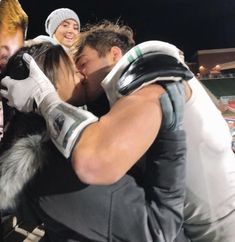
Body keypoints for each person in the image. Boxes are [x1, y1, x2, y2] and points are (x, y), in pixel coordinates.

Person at [0, 41, 188, 241]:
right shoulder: (57, 167)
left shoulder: (45, 152)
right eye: (72, 70)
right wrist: (170, 143)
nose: (81, 74)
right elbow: (158, 230)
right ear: (46, 81)